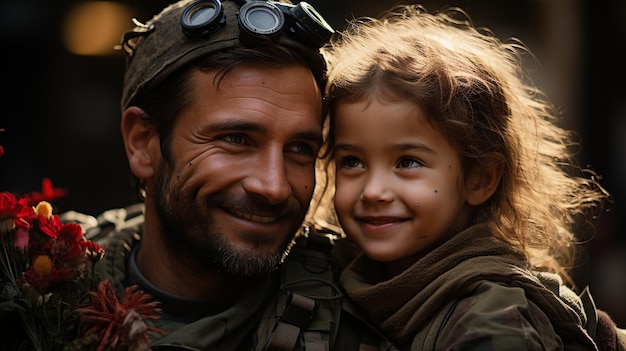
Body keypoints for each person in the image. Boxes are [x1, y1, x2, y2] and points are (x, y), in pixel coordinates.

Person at [81, 0, 392, 350]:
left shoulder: (373, 315)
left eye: (300, 148)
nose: (273, 186)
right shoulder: (36, 277)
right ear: (142, 143)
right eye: (236, 140)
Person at [319, 4, 626, 350]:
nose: (373, 191)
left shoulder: (494, 318)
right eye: (352, 162)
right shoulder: (360, 280)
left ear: (479, 179)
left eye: (407, 162)